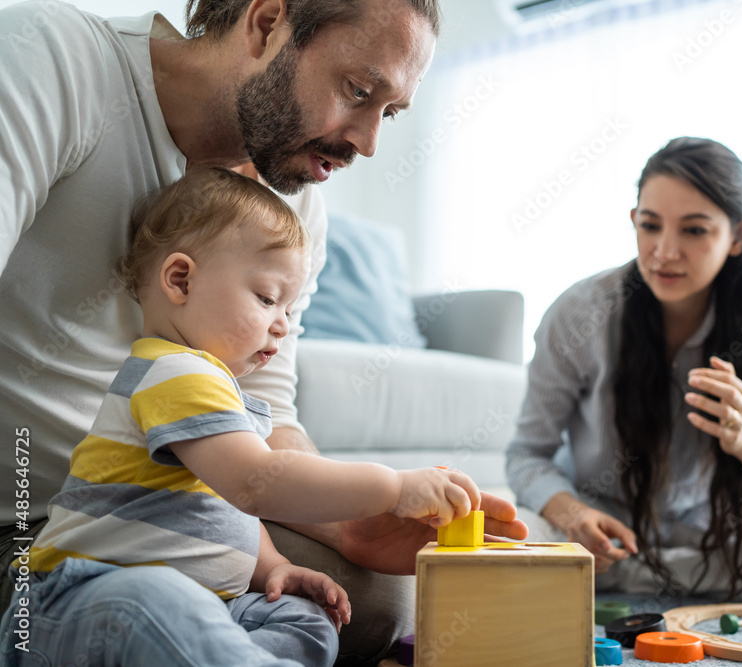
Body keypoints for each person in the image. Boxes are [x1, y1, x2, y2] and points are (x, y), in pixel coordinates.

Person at [0, 0, 527, 662]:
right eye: (358, 91)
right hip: (38, 538)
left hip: (184, 513)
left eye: (387, 113)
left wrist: (349, 523)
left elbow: (267, 413)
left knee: (375, 601)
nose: (367, 142)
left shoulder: (295, 199)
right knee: (156, 609)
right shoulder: (55, 60)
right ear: (266, 21)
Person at [0, 167, 485, 666]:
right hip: (75, 603)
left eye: (290, 310)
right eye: (268, 298)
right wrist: (394, 488)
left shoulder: (215, 387)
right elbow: (256, 482)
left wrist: (274, 565)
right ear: (181, 280)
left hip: (203, 604)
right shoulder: (173, 374)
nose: (283, 325)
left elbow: (225, 507)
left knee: (306, 618)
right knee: (163, 601)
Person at [506, 137, 742, 603]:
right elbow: (527, 455)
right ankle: (648, 571)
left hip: (710, 532)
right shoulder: (578, 313)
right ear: (634, 222)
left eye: (694, 231)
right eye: (650, 226)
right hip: (598, 527)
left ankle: (628, 576)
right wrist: (572, 515)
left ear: (739, 235)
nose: (664, 251)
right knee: (505, 540)